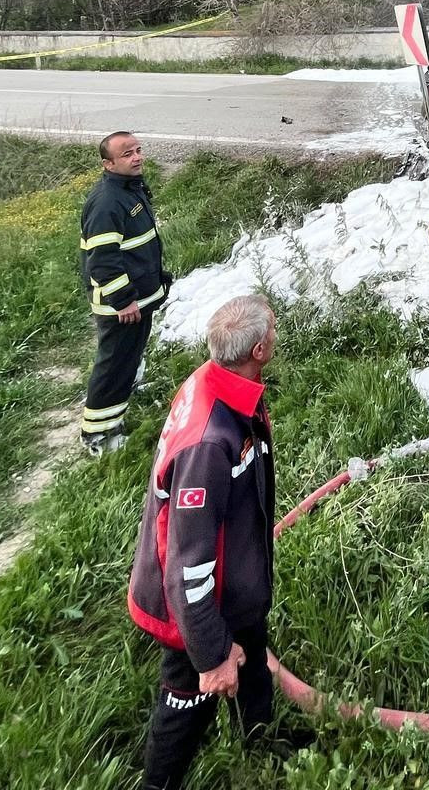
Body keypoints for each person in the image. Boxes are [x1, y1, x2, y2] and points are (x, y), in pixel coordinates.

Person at [129, 294, 289, 789]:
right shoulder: (207, 445)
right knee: (185, 699)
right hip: (196, 610)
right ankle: (160, 781)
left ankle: (260, 738)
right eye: (274, 333)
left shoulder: (219, 384)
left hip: (235, 588)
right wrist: (211, 653)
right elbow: (188, 566)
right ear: (260, 349)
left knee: (255, 659)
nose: (278, 336)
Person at [79, 130, 172, 454]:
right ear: (108, 164)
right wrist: (123, 300)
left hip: (137, 299)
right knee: (114, 366)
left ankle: (126, 394)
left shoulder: (129, 189)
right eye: (127, 154)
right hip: (122, 306)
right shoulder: (106, 202)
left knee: (127, 359)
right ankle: (99, 436)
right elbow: (102, 262)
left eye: (138, 149)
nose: (137, 157)